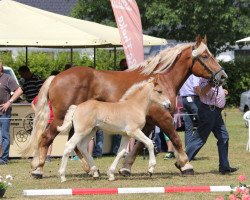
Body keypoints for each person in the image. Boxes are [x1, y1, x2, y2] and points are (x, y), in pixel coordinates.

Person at [185, 78, 238, 174]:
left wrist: (222, 91)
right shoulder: (203, 79)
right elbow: (202, 92)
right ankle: (183, 162)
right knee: (200, 138)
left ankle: (224, 167)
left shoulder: (213, 77)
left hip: (216, 112)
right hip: (209, 111)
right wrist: (210, 84)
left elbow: (214, 92)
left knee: (224, 137)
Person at [31, 70, 59, 162]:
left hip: (50, 119)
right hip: (46, 119)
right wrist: (38, 113)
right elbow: (33, 103)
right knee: (46, 137)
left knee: (48, 138)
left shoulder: (55, 94)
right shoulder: (45, 93)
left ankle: (48, 155)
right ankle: (44, 155)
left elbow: (32, 103)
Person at [0, 62, 23, 165]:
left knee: (5, 135)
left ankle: (4, 159)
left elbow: (19, 90)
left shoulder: (7, 78)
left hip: (4, 111)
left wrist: (9, 102)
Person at [179, 74, 201, 147]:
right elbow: (196, 86)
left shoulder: (183, 73)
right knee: (203, 123)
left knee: (188, 128)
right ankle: (194, 146)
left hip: (184, 99)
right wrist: (203, 96)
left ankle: (188, 150)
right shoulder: (195, 74)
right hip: (193, 99)